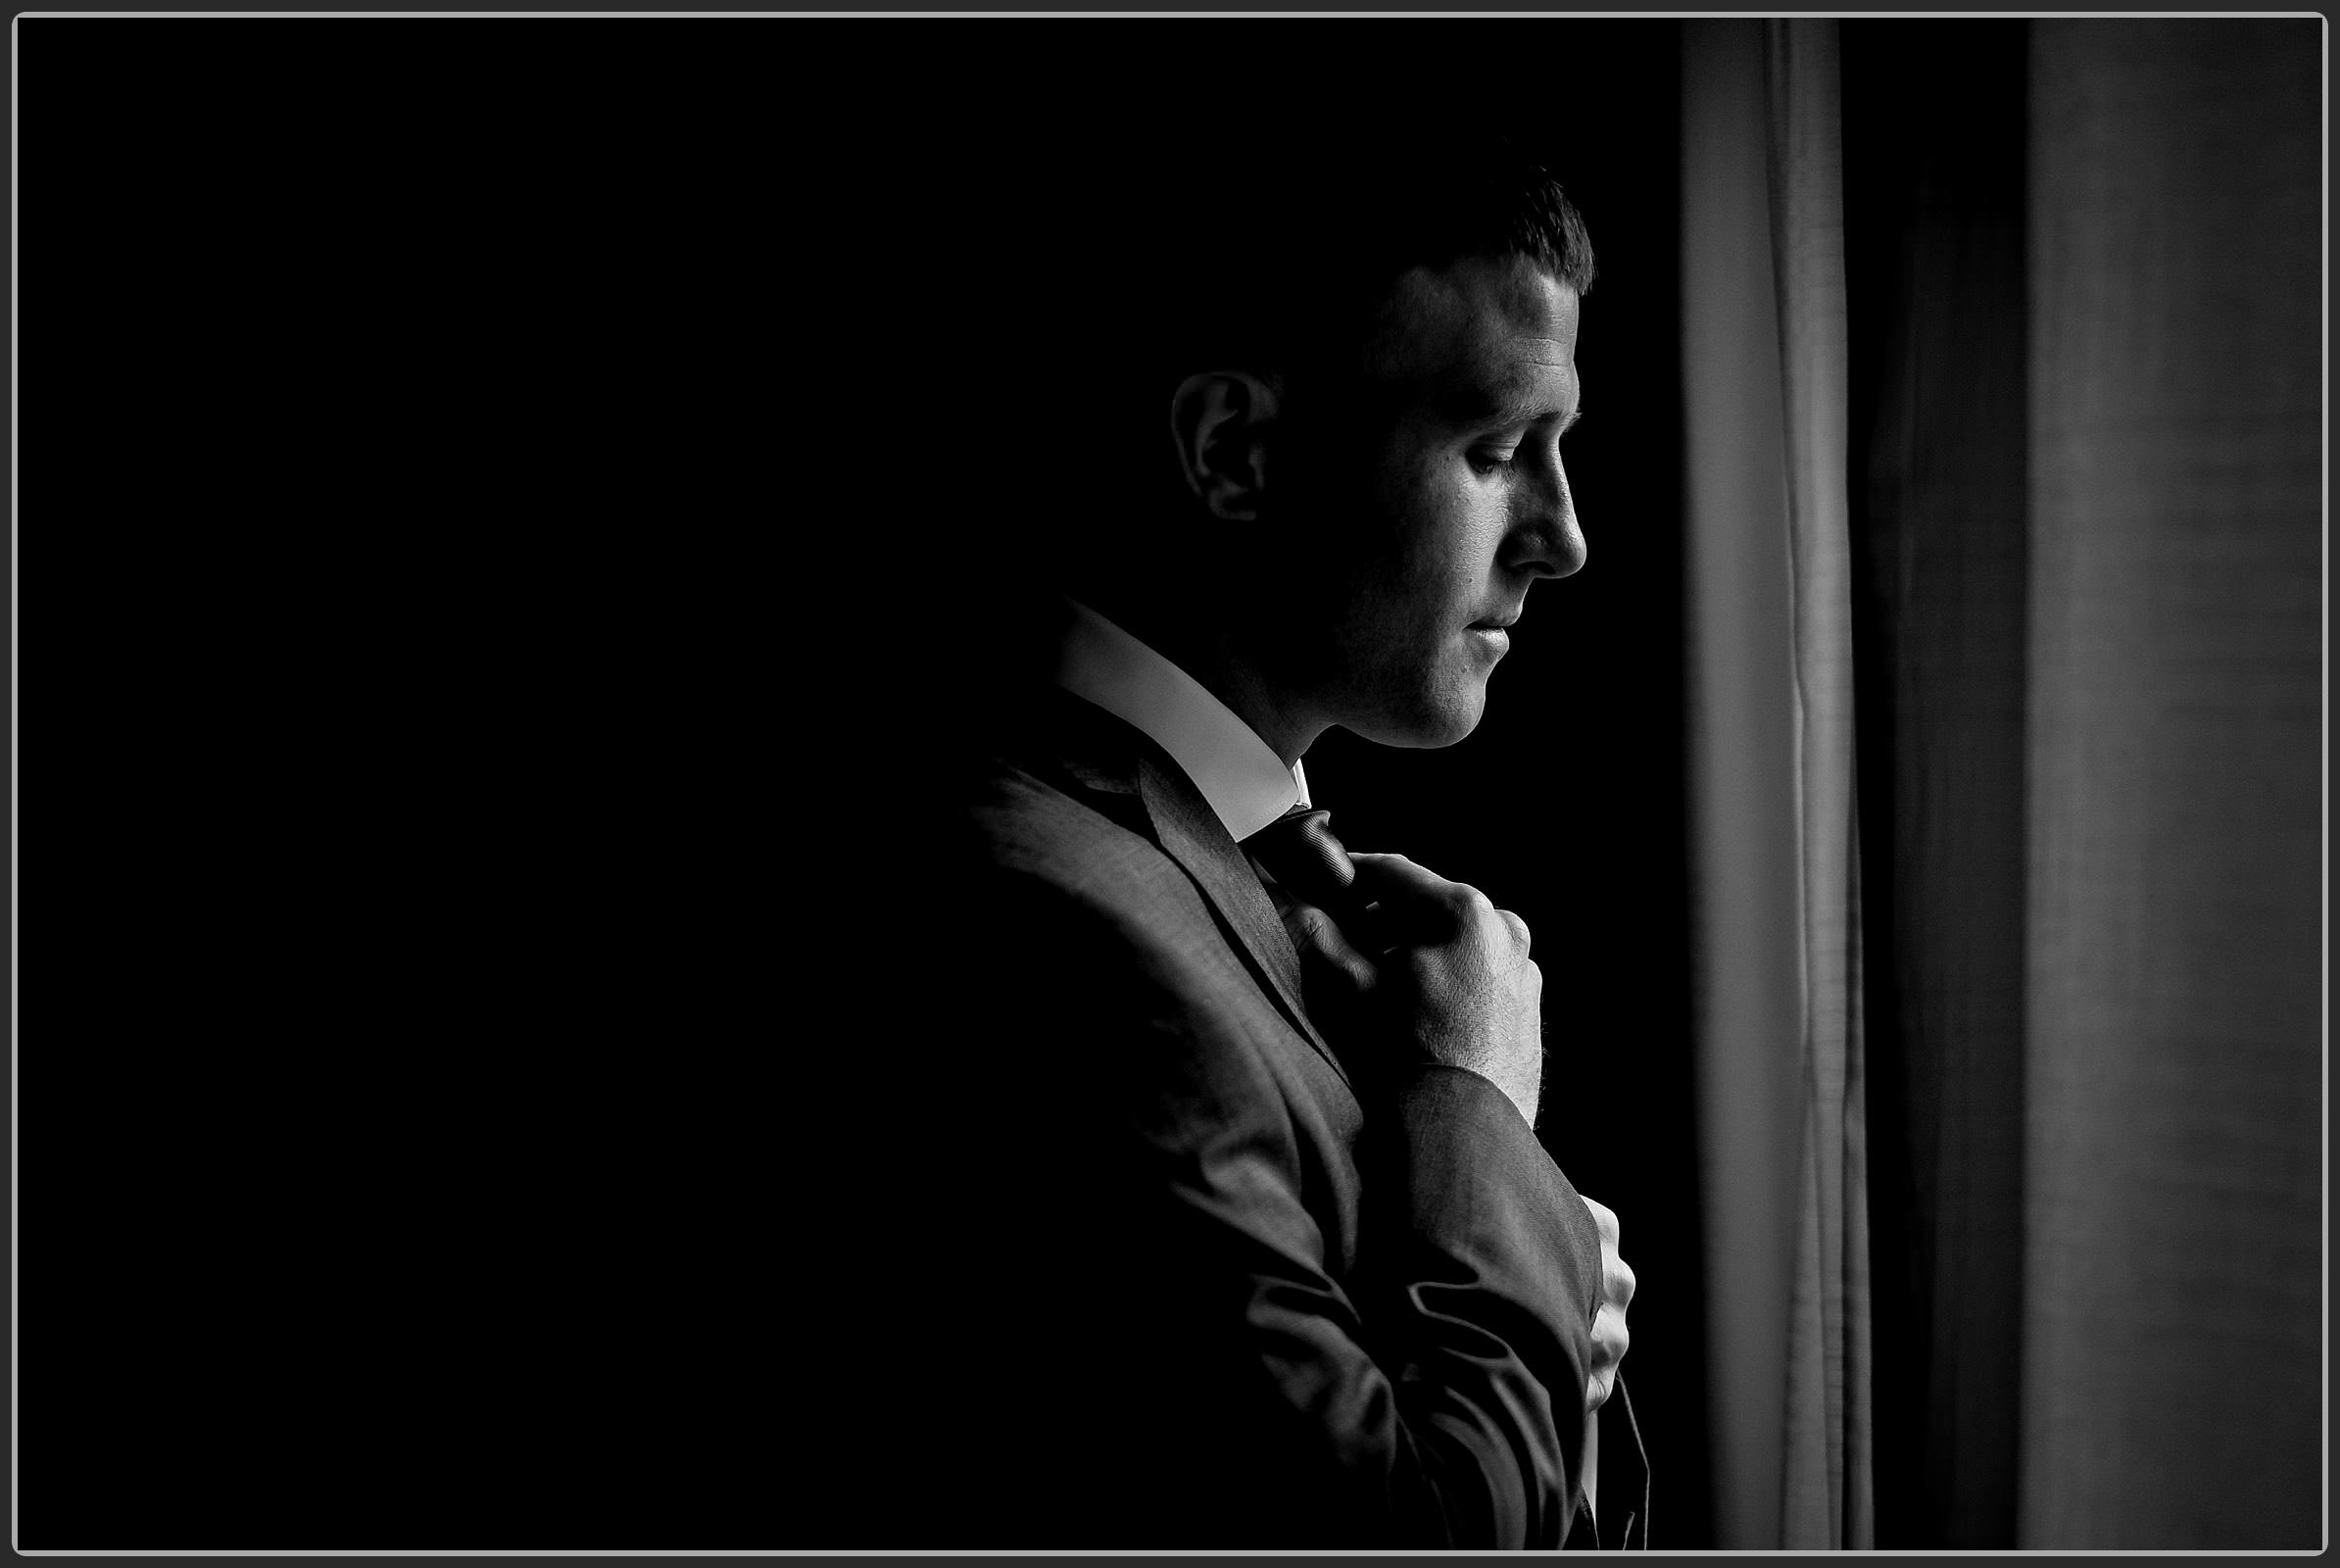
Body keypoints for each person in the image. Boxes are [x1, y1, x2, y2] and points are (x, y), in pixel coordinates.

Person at [803, 114, 1643, 1551]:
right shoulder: (1050, 922)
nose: (1563, 537)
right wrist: (1484, 1132)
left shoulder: (1246, 881)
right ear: (1235, 452)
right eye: (1499, 446)